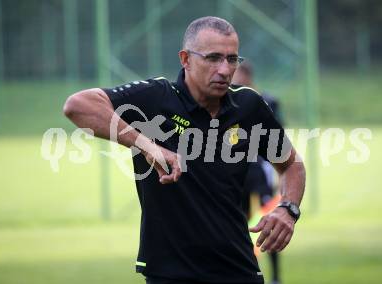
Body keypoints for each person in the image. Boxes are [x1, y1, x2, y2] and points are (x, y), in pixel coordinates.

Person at [63, 16, 305, 284]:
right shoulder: (156, 98)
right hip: (170, 272)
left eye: (232, 59)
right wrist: (145, 145)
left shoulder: (249, 106)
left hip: (239, 268)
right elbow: (78, 105)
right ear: (186, 59)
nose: (225, 69)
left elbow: (292, 165)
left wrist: (288, 209)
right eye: (213, 58)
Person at [233, 62, 283, 284]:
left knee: (270, 221)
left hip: (262, 169)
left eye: (238, 75)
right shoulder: (225, 105)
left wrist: (279, 175)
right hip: (240, 170)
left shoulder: (266, 102)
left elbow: (278, 138)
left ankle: (275, 277)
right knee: (237, 221)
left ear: (248, 77)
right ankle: (240, 270)